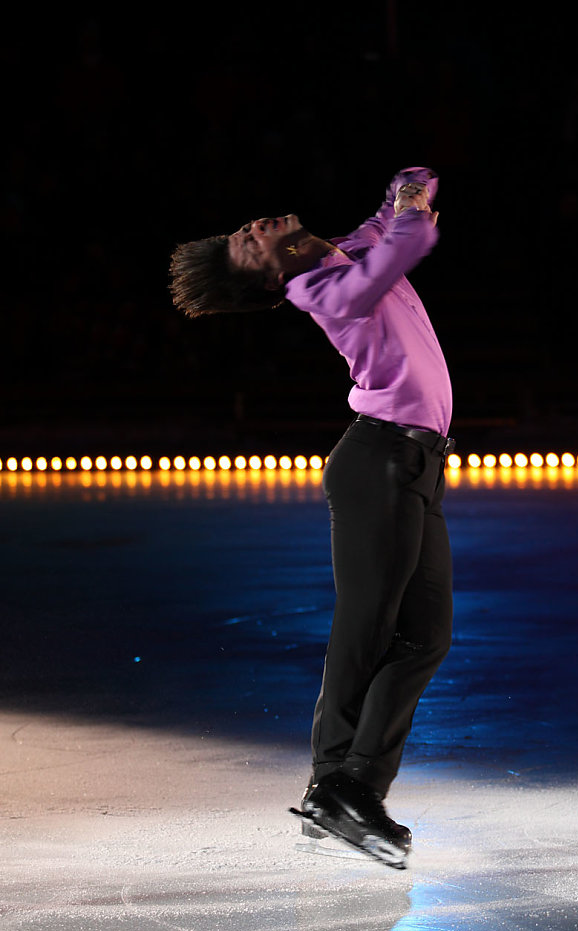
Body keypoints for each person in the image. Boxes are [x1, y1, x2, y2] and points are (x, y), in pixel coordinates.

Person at [169, 167, 454, 869]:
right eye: (244, 244)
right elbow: (403, 245)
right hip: (376, 463)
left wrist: (405, 188)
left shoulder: (338, 252)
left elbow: (396, 217)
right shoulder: (319, 287)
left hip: (416, 464)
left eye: (240, 230)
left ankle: (352, 785)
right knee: (367, 625)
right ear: (268, 279)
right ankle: (336, 784)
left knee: (424, 637)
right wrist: (409, 211)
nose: (250, 228)